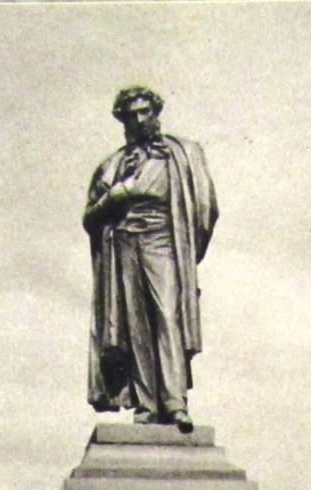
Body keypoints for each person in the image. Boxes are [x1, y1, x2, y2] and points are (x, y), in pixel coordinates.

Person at [83, 87, 218, 431]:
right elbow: (91, 216)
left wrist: (188, 251)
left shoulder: (182, 153)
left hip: (163, 241)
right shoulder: (112, 164)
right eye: (131, 115)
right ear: (122, 120)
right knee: (136, 325)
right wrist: (116, 196)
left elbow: (206, 209)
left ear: (156, 113)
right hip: (126, 241)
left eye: (145, 112)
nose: (140, 119)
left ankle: (175, 404)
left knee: (167, 317)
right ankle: (146, 405)